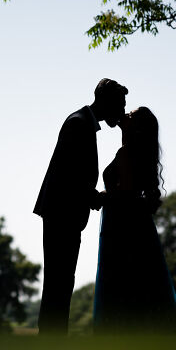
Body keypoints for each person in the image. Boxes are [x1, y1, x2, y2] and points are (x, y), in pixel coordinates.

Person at [34, 79, 128, 335]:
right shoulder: (79, 124)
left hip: (63, 212)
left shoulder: (83, 122)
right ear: (105, 101)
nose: (120, 112)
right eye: (119, 105)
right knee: (59, 281)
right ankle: (52, 339)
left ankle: (53, 339)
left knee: (62, 280)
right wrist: (95, 197)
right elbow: (70, 175)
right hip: (61, 213)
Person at [92, 107, 176, 333]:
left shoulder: (127, 153)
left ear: (137, 128)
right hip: (133, 223)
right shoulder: (136, 153)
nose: (125, 115)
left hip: (123, 226)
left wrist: (102, 196)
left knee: (124, 278)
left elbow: (126, 193)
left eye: (130, 115)